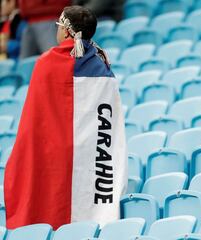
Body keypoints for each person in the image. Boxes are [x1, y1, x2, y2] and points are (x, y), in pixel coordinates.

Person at [4, 6, 127, 229]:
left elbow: (34, 120)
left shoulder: (47, 62)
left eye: (59, 26)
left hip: (52, 151)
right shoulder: (103, 64)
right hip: (89, 152)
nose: (57, 31)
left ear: (68, 31)